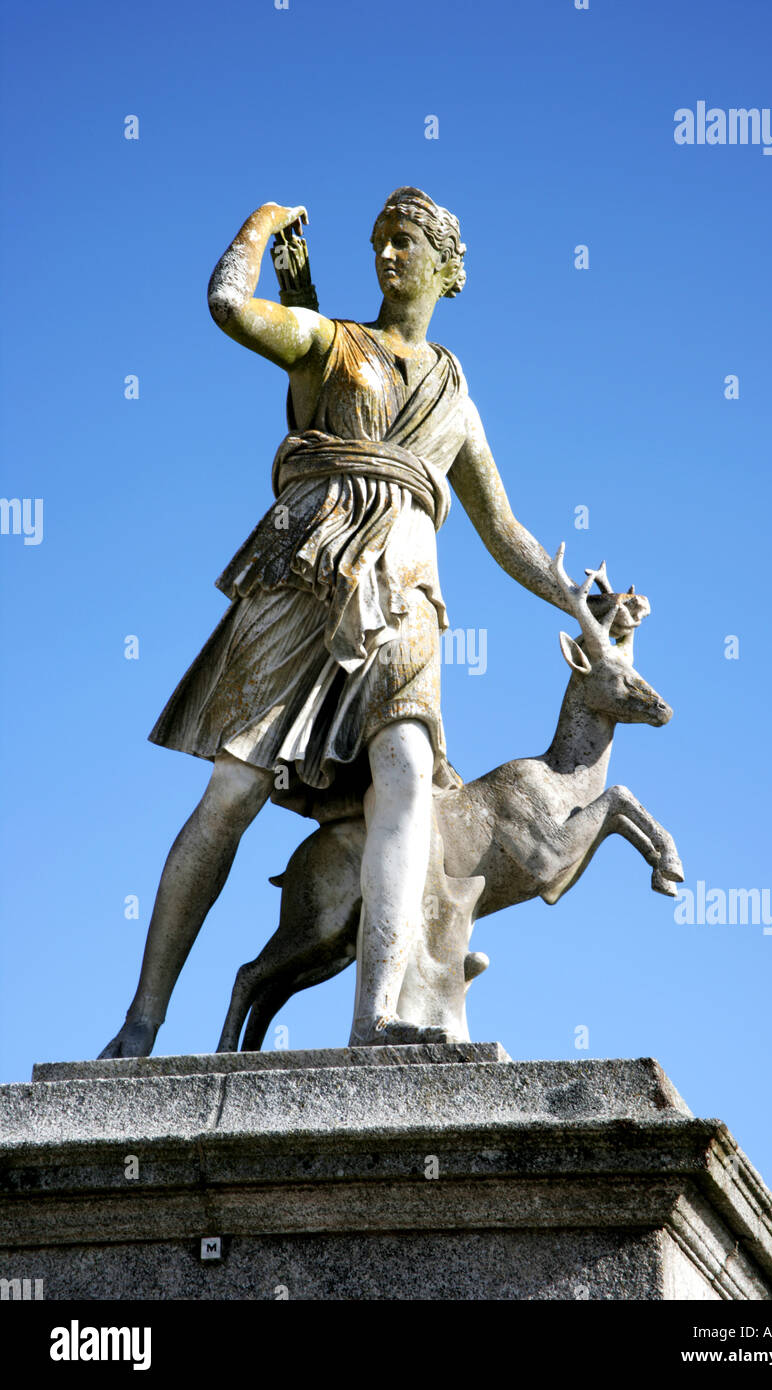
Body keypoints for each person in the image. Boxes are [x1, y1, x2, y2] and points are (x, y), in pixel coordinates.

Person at [99, 187, 587, 1057]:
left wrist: (579, 601)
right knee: (234, 790)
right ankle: (141, 1023)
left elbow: (506, 533)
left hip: (404, 592)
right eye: (378, 243)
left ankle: (376, 1017)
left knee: (403, 771)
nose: (387, 256)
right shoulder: (329, 342)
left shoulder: (456, 399)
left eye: (404, 242)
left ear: (446, 265)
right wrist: (260, 225)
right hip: (305, 573)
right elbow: (228, 307)